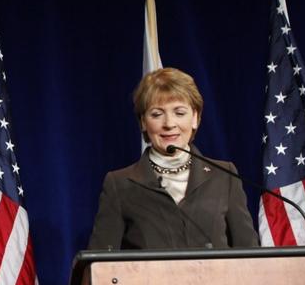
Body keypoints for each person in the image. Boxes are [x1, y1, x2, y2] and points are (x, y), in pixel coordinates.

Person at [87, 67, 259, 250]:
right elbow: (101, 263)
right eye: (157, 114)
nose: (169, 124)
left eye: (179, 113)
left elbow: (249, 252)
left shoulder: (225, 176)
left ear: (195, 118)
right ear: (144, 122)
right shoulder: (119, 184)